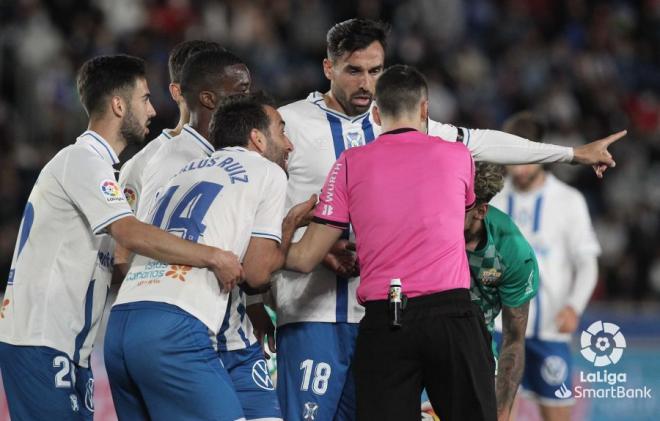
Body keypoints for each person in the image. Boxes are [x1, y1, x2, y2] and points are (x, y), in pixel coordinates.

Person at [270, 18, 624, 420]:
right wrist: (264, 293)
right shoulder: (288, 126)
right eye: (354, 71)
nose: (366, 83)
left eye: (375, 70)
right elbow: (262, 207)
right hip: (311, 314)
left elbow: (488, 141)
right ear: (328, 68)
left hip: (383, 317)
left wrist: (572, 153)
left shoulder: (408, 123)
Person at [0, 54, 242, 421]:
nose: (151, 109)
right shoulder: (81, 160)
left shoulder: (98, 171)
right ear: (118, 104)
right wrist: (211, 256)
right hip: (41, 339)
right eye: (144, 99)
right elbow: (129, 232)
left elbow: (111, 264)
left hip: (67, 347)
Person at [286, 64, 497, 421]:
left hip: (387, 321)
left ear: (377, 113)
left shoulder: (350, 163)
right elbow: (458, 217)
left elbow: (305, 258)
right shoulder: (459, 157)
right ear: (425, 109)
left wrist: (283, 231)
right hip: (451, 317)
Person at [104, 93, 314, 420]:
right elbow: (257, 273)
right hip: (176, 325)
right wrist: (289, 227)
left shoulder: (183, 172)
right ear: (257, 139)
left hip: (120, 325)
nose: (289, 145)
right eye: (282, 131)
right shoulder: (266, 171)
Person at [491, 112, 601, 421]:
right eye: (512, 159)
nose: (520, 167)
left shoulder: (568, 200)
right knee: (498, 414)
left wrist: (574, 307)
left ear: (541, 154)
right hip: (501, 329)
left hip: (549, 331)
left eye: (526, 158)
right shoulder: (494, 199)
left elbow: (588, 263)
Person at [421, 162, 540, 421]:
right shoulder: (426, 225)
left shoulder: (512, 252)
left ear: (480, 211)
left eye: (457, 209)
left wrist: (501, 411)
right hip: (416, 338)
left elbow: (513, 339)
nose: (446, 213)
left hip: (473, 348)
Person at [118, 40, 222, 215]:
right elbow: (127, 239)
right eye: (206, 86)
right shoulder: (141, 166)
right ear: (177, 92)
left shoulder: (243, 153)